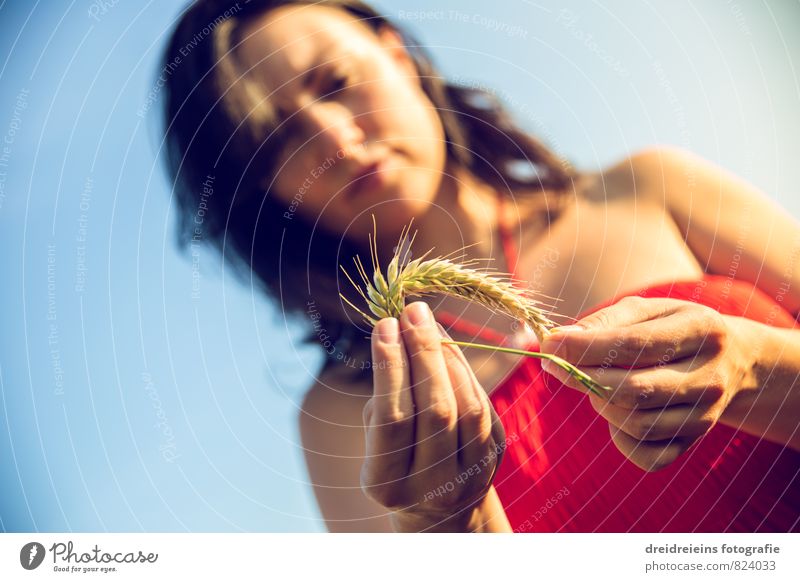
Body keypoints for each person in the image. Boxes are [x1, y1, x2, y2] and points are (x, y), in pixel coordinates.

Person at [161, 0, 800, 532]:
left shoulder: (651, 190)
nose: (335, 140)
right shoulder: (345, 416)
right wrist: (450, 527)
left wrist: (754, 366)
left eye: (333, 84)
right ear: (265, 195)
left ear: (395, 54)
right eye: (278, 139)